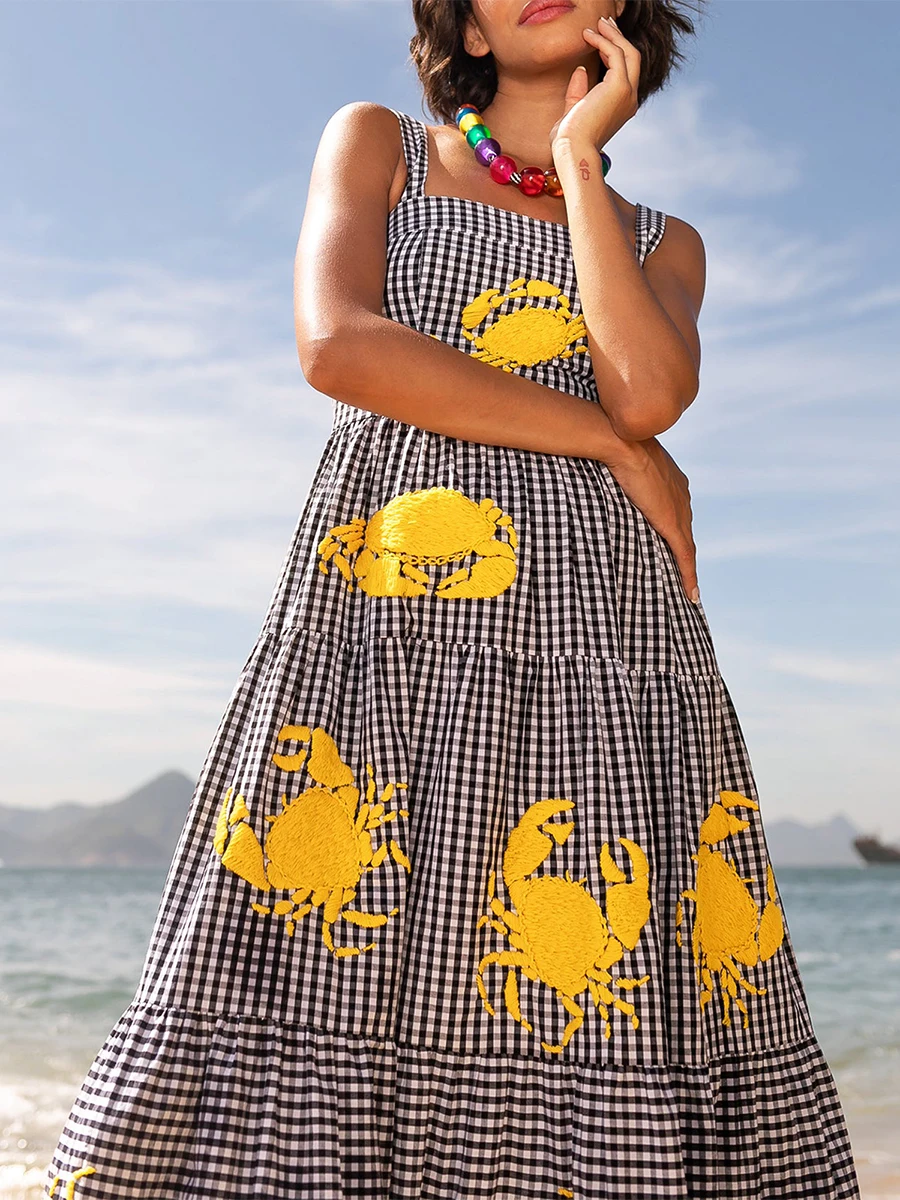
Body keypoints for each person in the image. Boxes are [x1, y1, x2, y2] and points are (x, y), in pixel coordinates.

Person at [44, 1, 862, 1197]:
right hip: (386, 611)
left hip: (605, 638)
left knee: (590, 969)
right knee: (325, 952)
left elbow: (650, 394)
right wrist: (604, 443)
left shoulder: (661, 242)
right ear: (464, 28)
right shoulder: (380, 144)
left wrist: (580, 162)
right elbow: (341, 345)